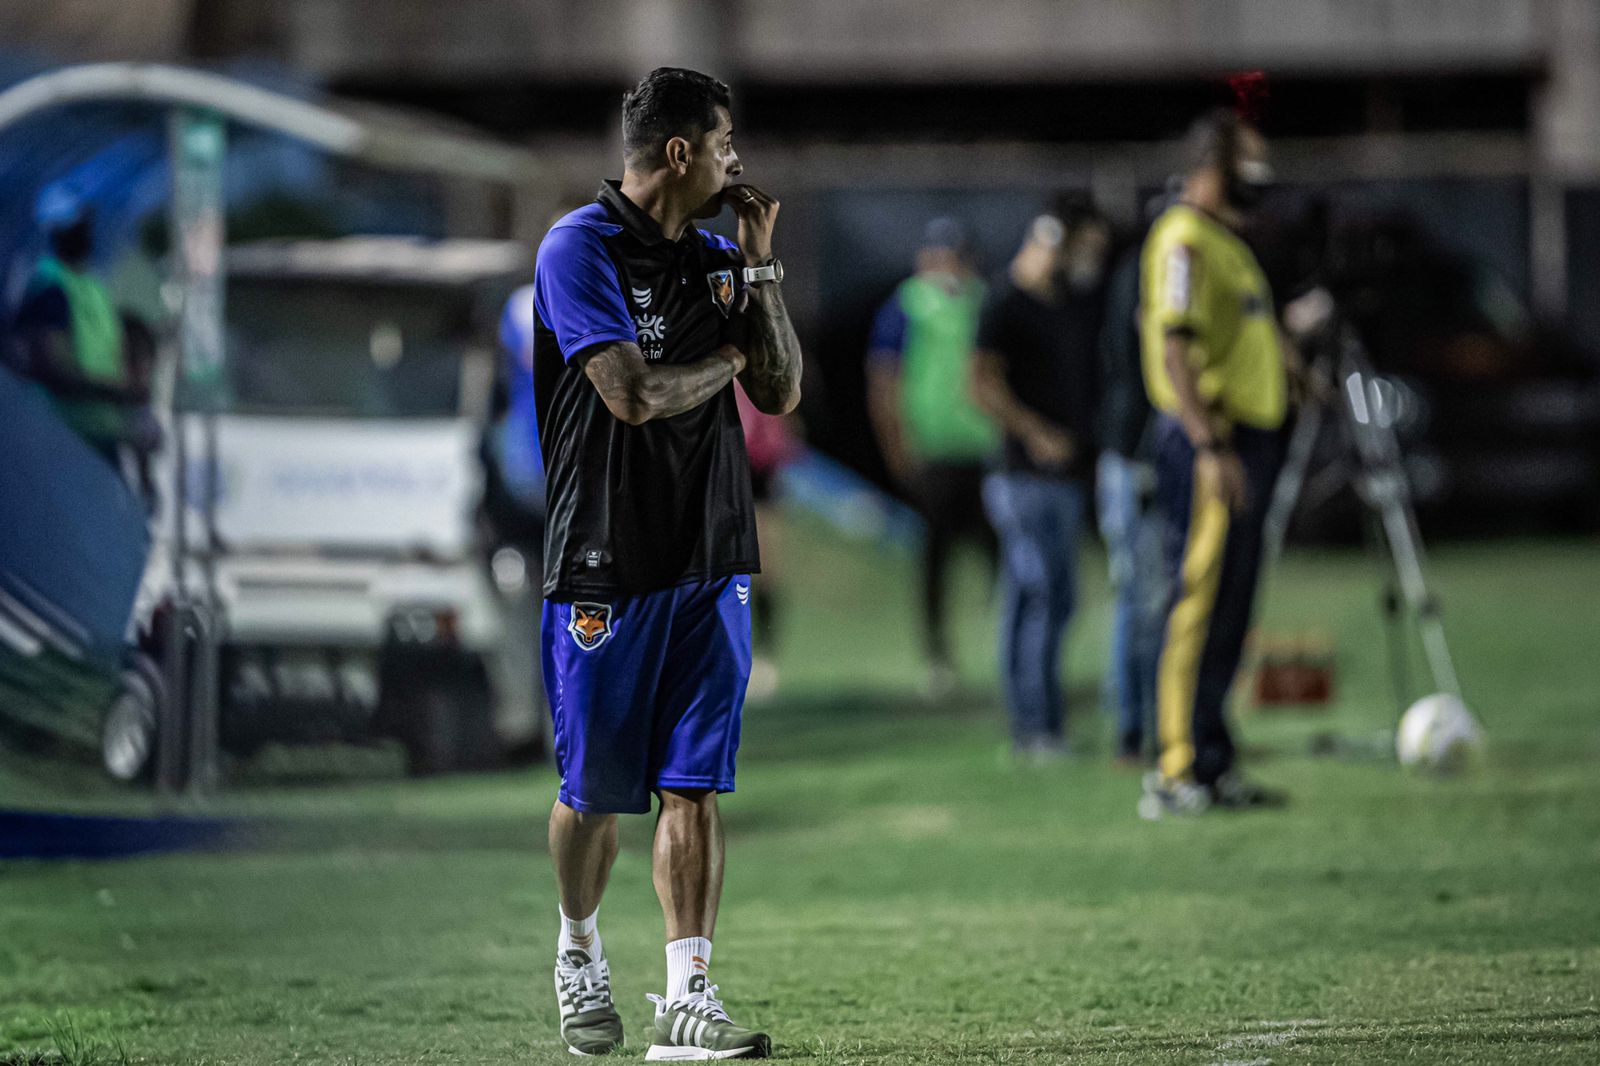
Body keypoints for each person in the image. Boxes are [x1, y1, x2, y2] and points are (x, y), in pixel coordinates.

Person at [531, 67, 800, 1059]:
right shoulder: (577, 248)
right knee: (596, 791)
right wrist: (724, 361)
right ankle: (577, 944)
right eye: (726, 144)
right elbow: (631, 395)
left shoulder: (721, 255)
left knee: (694, 783)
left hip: (709, 552)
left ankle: (688, 994)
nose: (737, 163)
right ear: (682, 152)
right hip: (604, 557)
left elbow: (780, 391)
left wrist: (762, 270)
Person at [1137, 108, 1291, 818]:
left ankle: (1213, 756)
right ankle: (1175, 767)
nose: (1259, 177)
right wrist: (1209, 445)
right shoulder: (1184, 239)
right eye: (1246, 163)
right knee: (1197, 602)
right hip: (1212, 440)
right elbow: (1174, 348)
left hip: (1246, 439)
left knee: (1233, 608)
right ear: (1211, 168)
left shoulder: (1227, 242)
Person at [969, 196, 1110, 759]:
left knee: (1040, 599)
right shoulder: (1004, 302)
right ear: (1054, 237)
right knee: (1043, 596)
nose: (1091, 259)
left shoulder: (1069, 304)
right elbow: (979, 384)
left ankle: (1036, 725)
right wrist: (1034, 432)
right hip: (1022, 478)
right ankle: (1036, 730)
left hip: (1065, 479)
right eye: (1086, 247)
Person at [866, 218, 998, 698]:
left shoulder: (984, 301)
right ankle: (937, 655)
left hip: (984, 449)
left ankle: (1007, 649)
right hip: (934, 450)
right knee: (935, 560)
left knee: (1001, 555)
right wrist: (898, 449)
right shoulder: (907, 306)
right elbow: (884, 378)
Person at [10, 182, 154, 470]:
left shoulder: (92, 286)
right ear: (57, 231)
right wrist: (116, 390)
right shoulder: (50, 288)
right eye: (78, 223)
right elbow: (50, 367)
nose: (86, 230)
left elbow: (114, 354)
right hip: (63, 434)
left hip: (100, 433)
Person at [1096, 201, 1168, 765]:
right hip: (1137, 455)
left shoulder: (1134, 268)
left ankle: (1146, 722)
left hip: (1131, 452)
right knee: (1142, 599)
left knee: (1144, 597)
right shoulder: (1150, 271)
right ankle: (1136, 726)